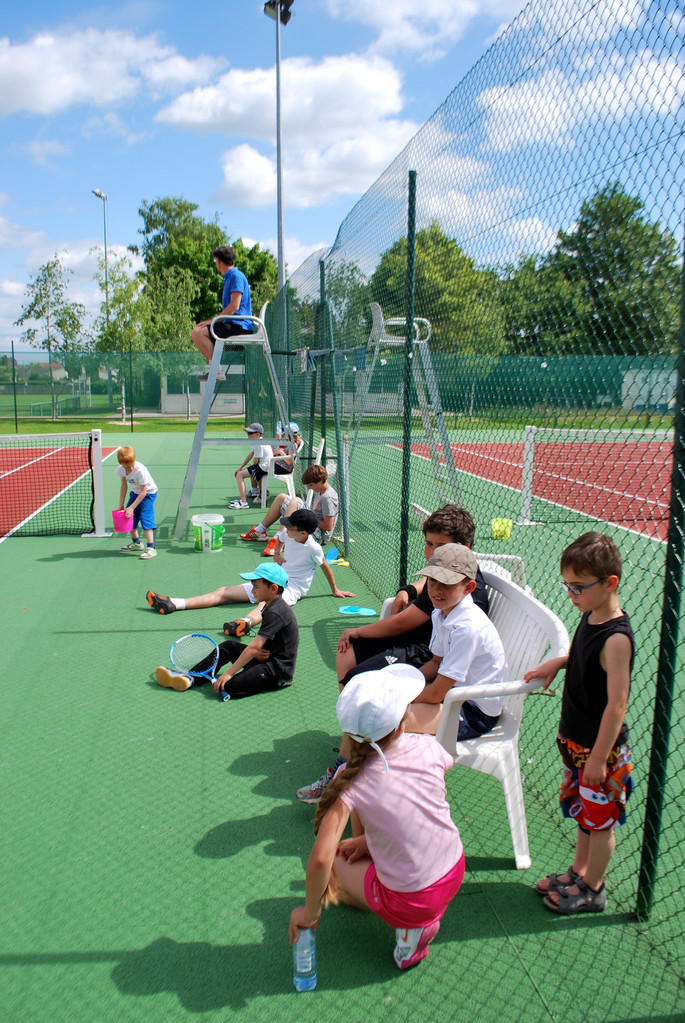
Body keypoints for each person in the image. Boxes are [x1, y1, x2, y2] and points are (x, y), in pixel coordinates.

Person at [297, 542, 505, 804]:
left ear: (469, 588)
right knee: (369, 706)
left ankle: (344, 786)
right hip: (452, 694)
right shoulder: (443, 614)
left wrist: (395, 700)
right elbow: (434, 664)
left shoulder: (466, 627)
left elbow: (437, 692)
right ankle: (347, 777)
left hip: (472, 711)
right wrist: (389, 688)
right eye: (432, 581)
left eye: (448, 584)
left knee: (382, 717)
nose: (437, 590)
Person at [289, 663, 465, 971]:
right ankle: (420, 912)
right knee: (352, 855)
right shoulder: (427, 746)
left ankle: (413, 930)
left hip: (411, 900)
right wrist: (369, 841)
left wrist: (309, 912)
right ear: (401, 726)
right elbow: (414, 807)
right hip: (454, 871)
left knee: (336, 866)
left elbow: (320, 859)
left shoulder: (351, 779)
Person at [523, 532, 634, 915]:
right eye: (566, 585)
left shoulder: (617, 639)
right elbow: (585, 658)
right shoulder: (590, 615)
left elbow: (617, 705)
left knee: (600, 823)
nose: (570, 594)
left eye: (578, 587)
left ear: (610, 583)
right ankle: (578, 872)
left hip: (598, 750)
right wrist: (558, 661)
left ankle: (593, 887)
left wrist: (601, 758)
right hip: (577, 745)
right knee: (586, 817)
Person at [336, 506, 488, 687]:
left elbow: (402, 622)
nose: (432, 552)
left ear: (465, 548)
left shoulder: (452, 590)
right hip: (413, 642)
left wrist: (357, 630)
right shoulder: (455, 571)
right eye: (429, 544)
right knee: (349, 648)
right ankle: (348, 710)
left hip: (424, 653)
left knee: (355, 679)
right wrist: (408, 590)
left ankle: (355, 710)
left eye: (441, 546)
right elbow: (425, 582)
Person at [145, 508, 355, 635]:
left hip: (292, 588)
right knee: (224, 591)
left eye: (290, 527)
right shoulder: (288, 534)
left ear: (302, 532)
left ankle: (244, 623)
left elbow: (325, 566)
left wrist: (335, 589)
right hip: (272, 577)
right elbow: (279, 541)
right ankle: (175, 603)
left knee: (265, 603)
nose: (285, 529)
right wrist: (276, 555)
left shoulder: (313, 548)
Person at [155, 563, 299, 699]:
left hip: (276, 671)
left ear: (273, 589)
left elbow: (254, 647)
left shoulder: (276, 612)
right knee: (228, 646)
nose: (252, 590)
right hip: (267, 658)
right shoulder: (270, 606)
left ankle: (283, 681)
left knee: (226, 686)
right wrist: (262, 650)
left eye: (256, 587)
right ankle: (191, 677)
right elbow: (270, 641)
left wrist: (229, 673)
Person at [239, 463, 339, 554]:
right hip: (310, 525)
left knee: (295, 501)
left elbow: (328, 526)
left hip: (317, 535)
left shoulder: (328, 498)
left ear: (321, 481)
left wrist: (307, 518)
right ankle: (260, 531)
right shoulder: (320, 490)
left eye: (311, 485)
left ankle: (278, 540)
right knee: (281, 497)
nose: (310, 488)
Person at [191, 246, 253, 381]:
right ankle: (215, 369)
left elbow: (234, 306)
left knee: (197, 332)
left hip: (239, 326)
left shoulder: (236, 276)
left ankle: (216, 370)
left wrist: (212, 321)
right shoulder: (230, 277)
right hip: (233, 324)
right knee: (199, 332)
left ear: (218, 261)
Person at [115, 445, 159, 559]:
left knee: (146, 519)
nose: (128, 470)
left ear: (133, 461)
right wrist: (121, 504)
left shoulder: (140, 470)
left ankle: (151, 548)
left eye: (130, 466)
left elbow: (144, 491)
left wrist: (131, 508)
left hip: (148, 494)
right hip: (135, 494)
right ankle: (137, 543)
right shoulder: (121, 469)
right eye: (125, 467)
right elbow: (124, 486)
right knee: (129, 518)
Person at [229, 423, 274, 510]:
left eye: (250, 433)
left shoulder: (258, 443)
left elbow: (256, 459)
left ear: (257, 434)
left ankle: (243, 502)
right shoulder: (258, 441)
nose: (248, 436)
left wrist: (243, 470)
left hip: (264, 468)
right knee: (249, 469)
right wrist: (241, 467)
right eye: (248, 433)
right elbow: (251, 455)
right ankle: (255, 491)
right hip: (264, 466)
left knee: (240, 475)